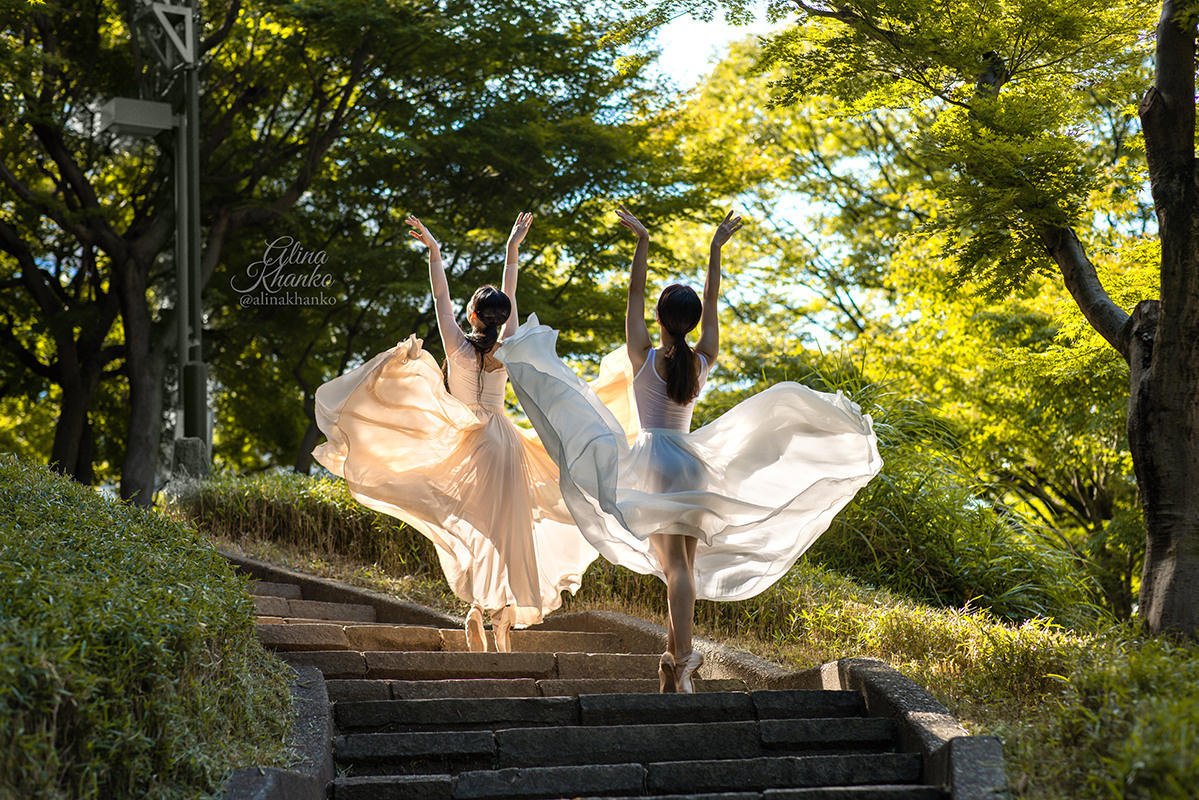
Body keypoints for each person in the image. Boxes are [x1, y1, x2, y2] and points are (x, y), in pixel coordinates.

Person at [498, 206, 883, 691]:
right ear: (693, 321)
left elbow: (634, 294)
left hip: (655, 463)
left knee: (675, 568)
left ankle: (681, 660)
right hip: (691, 464)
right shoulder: (701, 361)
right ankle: (675, 660)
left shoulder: (644, 356)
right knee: (683, 567)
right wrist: (715, 250)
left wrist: (642, 243)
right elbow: (713, 303)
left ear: (659, 319)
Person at [312, 213, 597, 652]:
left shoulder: (458, 348)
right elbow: (511, 292)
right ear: (501, 320)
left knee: (473, 529)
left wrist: (435, 251)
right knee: (508, 532)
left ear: (472, 314)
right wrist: (512, 250)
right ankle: (499, 617)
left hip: (468, 442)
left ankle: (479, 611)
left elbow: (440, 296)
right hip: (505, 443)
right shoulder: (510, 347)